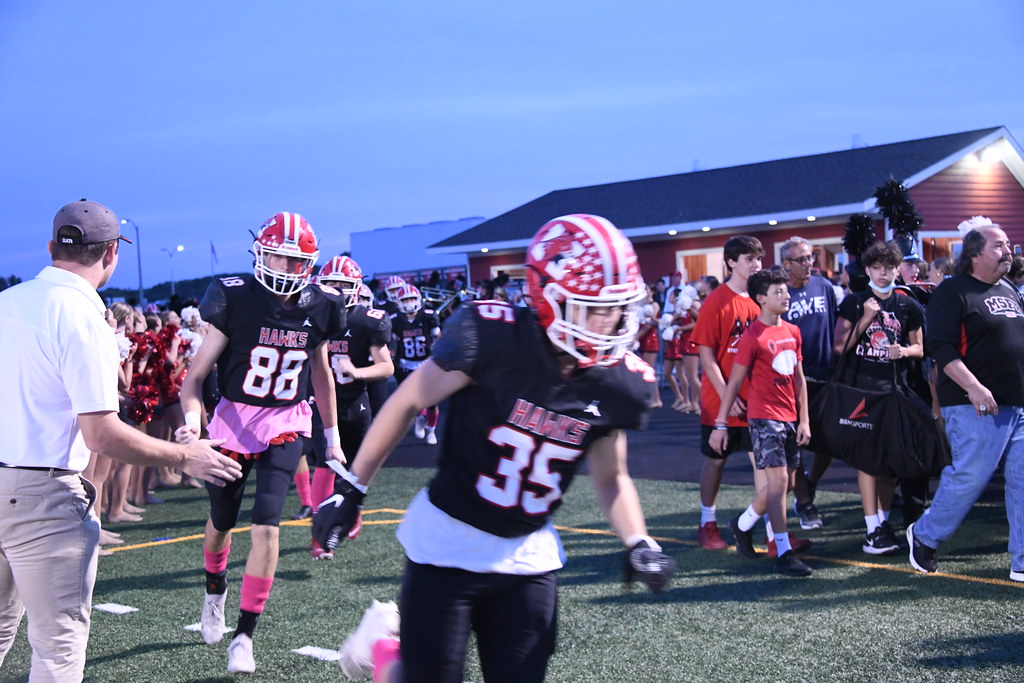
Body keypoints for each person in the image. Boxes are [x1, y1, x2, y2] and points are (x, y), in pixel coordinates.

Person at [315, 214, 674, 683]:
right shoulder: (490, 337)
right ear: (551, 299)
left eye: (617, 307)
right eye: (596, 308)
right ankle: (384, 647)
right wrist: (352, 487)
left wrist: (639, 540)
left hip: (528, 552)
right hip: (447, 541)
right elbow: (408, 400)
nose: (613, 322)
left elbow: (612, 476)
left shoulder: (616, 382)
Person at [0, 199, 241, 682]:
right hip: (41, 494)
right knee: (57, 649)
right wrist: (183, 455)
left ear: (51, 248)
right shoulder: (81, 317)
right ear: (111, 254)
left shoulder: (9, 303)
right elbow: (101, 434)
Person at [175, 211, 347, 674]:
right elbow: (194, 379)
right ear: (260, 254)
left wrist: (332, 439)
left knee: (267, 524)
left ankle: (244, 636)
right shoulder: (234, 298)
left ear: (309, 263)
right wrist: (193, 423)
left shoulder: (321, 306)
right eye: (277, 257)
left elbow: (322, 376)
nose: (286, 268)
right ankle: (215, 590)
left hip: (286, 421)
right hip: (233, 421)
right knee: (222, 519)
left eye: (295, 261)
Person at [908, 217, 1024, 581]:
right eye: (998, 245)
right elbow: (940, 346)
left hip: (1018, 403)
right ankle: (924, 535)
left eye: (1007, 244)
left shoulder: (1009, 289)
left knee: (1023, 481)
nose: (1007, 250)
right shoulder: (953, 291)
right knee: (970, 477)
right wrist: (973, 386)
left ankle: (1022, 560)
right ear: (974, 254)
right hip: (973, 404)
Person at [714, 270, 812, 576]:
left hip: (790, 417)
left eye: (785, 290)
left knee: (787, 484)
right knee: (778, 484)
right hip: (763, 417)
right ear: (761, 299)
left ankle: (741, 524)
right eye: (778, 291)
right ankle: (783, 552)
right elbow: (734, 383)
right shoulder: (752, 337)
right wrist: (720, 423)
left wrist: (805, 420)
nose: (786, 296)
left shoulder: (793, 331)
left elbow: (799, 379)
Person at [834, 241, 925, 555]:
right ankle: (872, 528)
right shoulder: (855, 301)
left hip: (894, 391)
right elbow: (838, 347)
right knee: (868, 460)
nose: (883, 273)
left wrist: (905, 351)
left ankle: (883, 523)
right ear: (868, 270)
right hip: (862, 392)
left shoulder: (908, 305)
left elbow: (919, 348)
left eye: (889, 267)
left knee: (889, 462)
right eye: (877, 268)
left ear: (898, 269)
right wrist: (865, 318)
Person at [302, 254, 394, 559]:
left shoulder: (367, 320)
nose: (337, 290)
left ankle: (351, 513)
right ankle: (319, 535)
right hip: (319, 401)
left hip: (354, 401)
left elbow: (387, 367)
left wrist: (357, 372)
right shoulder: (311, 316)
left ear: (356, 287)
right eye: (332, 283)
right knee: (324, 463)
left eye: (343, 285)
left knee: (355, 468)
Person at [690, 236, 765, 550]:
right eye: (749, 258)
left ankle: (773, 533)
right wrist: (726, 396)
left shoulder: (761, 298)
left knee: (763, 463)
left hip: (756, 399)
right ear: (731, 262)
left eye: (758, 258)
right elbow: (706, 355)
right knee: (716, 461)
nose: (756, 264)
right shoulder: (716, 300)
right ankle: (707, 523)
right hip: (719, 401)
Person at [779, 236, 837, 530]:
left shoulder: (824, 286)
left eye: (810, 257)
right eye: (801, 259)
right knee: (795, 446)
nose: (808, 263)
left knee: (830, 441)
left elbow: (835, 327)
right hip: (792, 382)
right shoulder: (780, 294)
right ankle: (804, 502)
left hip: (825, 377)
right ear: (786, 264)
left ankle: (811, 483)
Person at [389, 284, 442, 444]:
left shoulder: (428, 316)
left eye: (412, 298)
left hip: (426, 363)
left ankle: (431, 430)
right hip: (405, 364)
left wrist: (438, 348)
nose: (409, 302)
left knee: (432, 402)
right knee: (412, 401)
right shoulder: (395, 320)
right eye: (406, 300)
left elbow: (439, 337)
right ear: (399, 302)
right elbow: (390, 341)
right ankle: (420, 416)